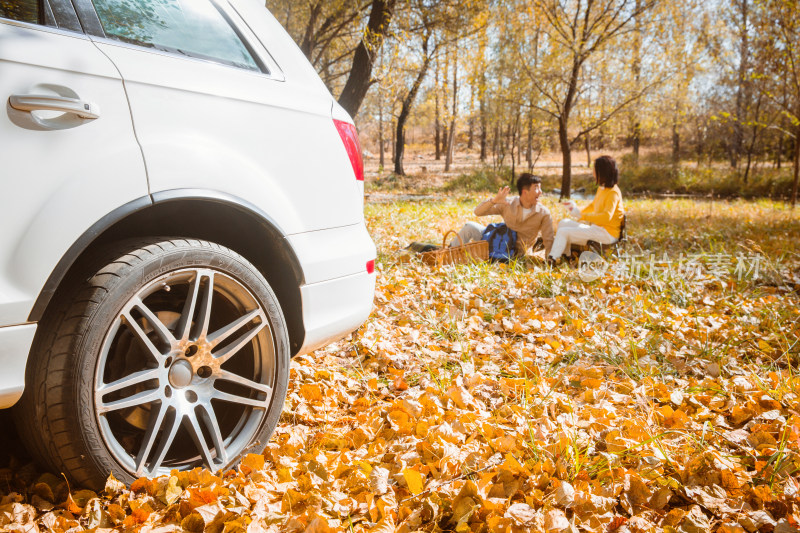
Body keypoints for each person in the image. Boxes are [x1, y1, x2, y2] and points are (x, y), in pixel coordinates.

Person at [452, 173, 554, 258]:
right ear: (525, 192)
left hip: (516, 253)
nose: (540, 192)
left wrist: (549, 262)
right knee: (469, 226)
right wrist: (494, 201)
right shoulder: (508, 204)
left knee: (473, 254)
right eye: (536, 188)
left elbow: (548, 240)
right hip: (497, 242)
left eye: (540, 188)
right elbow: (478, 212)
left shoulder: (543, 213)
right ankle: (448, 254)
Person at [548, 155, 625, 263]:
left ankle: (553, 259)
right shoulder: (602, 188)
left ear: (602, 172)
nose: (592, 172)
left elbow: (607, 217)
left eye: (594, 169)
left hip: (607, 234)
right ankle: (567, 256)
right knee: (563, 223)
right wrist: (576, 210)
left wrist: (583, 216)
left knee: (563, 232)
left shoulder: (613, 193)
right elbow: (593, 205)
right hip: (598, 229)